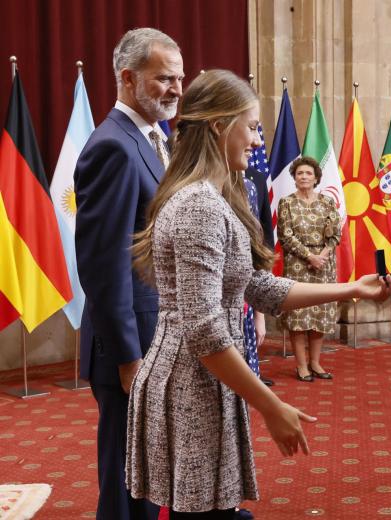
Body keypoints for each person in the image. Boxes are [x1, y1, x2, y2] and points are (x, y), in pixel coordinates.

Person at [127, 69, 391, 518]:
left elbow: (256, 286)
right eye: (253, 126)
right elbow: (203, 331)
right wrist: (272, 405)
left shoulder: (215, 197)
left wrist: (352, 287)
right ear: (219, 126)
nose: (259, 141)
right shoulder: (199, 204)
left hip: (204, 379)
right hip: (191, 383)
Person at [74, 28, 183, 520]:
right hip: (130, 349)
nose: (176, 89)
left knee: (150, 477)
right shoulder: (113, 147)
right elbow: (103, 267)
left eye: (179, 78)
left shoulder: (158, 139)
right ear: (127, 78)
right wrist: (127, 359)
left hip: (158, 339)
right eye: (164, 78)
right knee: (125, 484)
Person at [277, 156, 341, 382]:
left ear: (316, 179)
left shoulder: (327, 202)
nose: (303, 177)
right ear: (294, 178)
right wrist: (309, 256)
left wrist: (322, 256)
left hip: (324, 266)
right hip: (298, 265)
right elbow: (285, 236)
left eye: (308, 174)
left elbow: (335, 234)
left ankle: (315, 362)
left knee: (319, 315)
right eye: (299, 173)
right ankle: (302, 366)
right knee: (299, 316)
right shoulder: (286, 202)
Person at [242, 168, 274, 387]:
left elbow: (261, 237)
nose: (255, 141)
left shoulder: (251, 185)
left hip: (247, 290)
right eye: (251, 130)